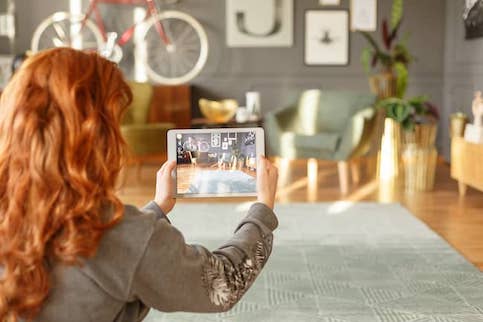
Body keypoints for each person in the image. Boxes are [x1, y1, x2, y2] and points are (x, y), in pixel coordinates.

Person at [0, 48, 279, 322]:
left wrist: (156, 209)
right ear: (98, 137)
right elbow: (223, 283)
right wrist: (263, 208)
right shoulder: (120, 235)